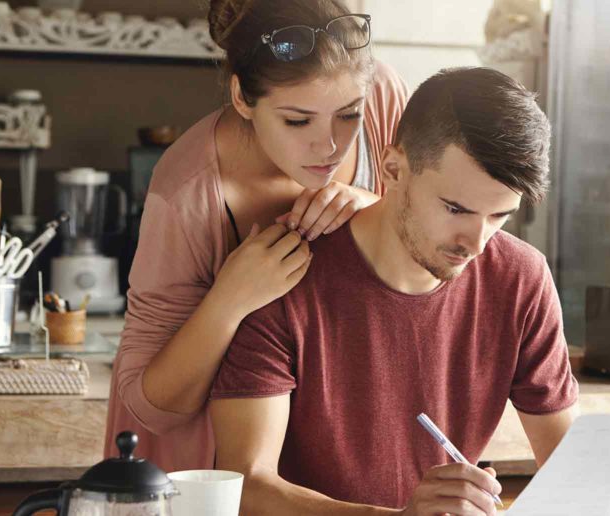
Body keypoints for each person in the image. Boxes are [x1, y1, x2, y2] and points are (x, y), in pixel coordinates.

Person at [209, 67, 610, 515]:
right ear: (393, 168)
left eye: (499, 216)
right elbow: (245, 484)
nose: (476, 244)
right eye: (456, 208)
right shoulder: (284, 276)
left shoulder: (521, 278)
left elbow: (570, 470)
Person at [104, 0, 408, 473]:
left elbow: (439, 230)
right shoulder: (186, 191)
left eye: (348, 115)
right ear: (243, 98)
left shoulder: (383, 94)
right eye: (297, 120)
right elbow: (152, 408)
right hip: (215, 468)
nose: (328, 145)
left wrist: (379, 210)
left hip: (344, 443)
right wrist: (229, 300)